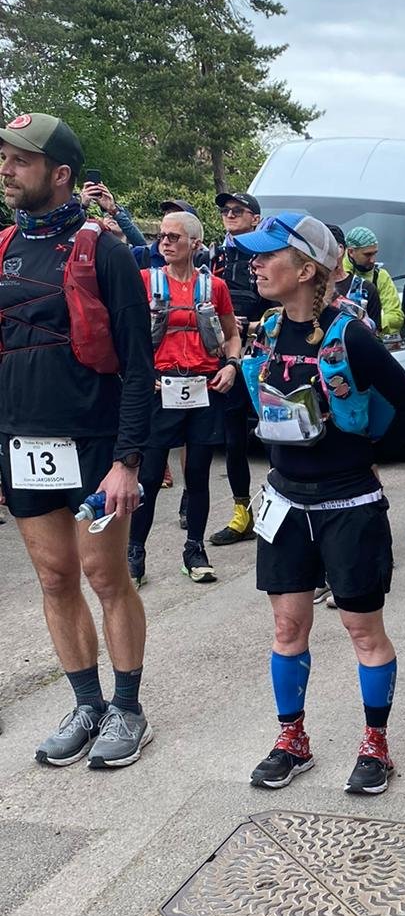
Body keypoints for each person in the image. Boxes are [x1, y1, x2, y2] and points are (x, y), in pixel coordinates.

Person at [234, 213, 405, 794]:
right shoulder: (266, 331)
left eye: (269, 255)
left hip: (348, 500)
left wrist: (357, 437)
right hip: (285, 501)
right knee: (287, 626)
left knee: (362, 630)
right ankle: (292, 739)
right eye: (256, 255)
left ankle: (376, 745)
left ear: (307, 269)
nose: (256, 264)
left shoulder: (351, 335)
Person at [0, 112, 155, 768]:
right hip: (22, 441)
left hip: (93, 445)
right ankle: (86, 702)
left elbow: (139, 367)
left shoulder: (107, 251)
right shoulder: (4, 247)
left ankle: (129, 708)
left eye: (21, 160)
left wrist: (127, 461)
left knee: (104, 574)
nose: (7, 169)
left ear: (60, 174)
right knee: (56, 576)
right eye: (5, 158)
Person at [126, 211, 240, 585]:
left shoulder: (214, 287)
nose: (165, 241)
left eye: (174, 236)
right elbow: (126, 336)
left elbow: (231, 334)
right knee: (150, 474)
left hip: (204, 386)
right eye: (162, 236)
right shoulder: (145, 281)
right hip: (162, 388)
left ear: (195, 243)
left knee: (197, 474)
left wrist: (232, 366)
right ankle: (135, 551)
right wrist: (143, 377)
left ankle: (195, 549)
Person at [207, 191, 268, 547]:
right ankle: (241, 512)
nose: (230, 215)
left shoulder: (268, 253)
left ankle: (284, 506)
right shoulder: (216, 255)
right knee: (233, 439)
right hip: (228, 357)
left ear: (255, 218)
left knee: (276, 435)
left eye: (238, 210)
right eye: (226, 211)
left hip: (262, 356)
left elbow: (282, 304)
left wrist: (254, 324)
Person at [343, 226, 403, 335]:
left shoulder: (381, 276)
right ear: (351, 252)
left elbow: (396, 316)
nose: (373, 260)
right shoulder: (337, 273)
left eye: (375, 253)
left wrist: (373, 324)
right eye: (367, 254)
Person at [328, 224, 383, 328]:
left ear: (341, 250)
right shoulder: (308, 288)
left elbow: (375, 335)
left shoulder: (366, 289)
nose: (373, 260)